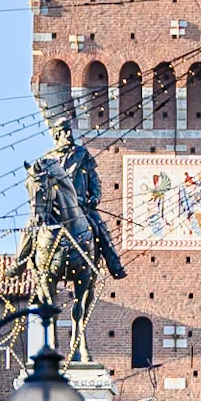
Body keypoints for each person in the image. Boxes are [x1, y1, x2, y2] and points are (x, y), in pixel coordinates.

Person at [47, 114, 127, 279]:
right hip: (55, 209)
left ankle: (114, 264)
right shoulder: (48, 160)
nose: (68, 134)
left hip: (81, 207)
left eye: (69, 130)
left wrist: (95, 198)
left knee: (100, 229)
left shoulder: (81, 155)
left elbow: (94, 180)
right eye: (64, 131)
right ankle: (20, 262)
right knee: (32, 228)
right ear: (57, 136)